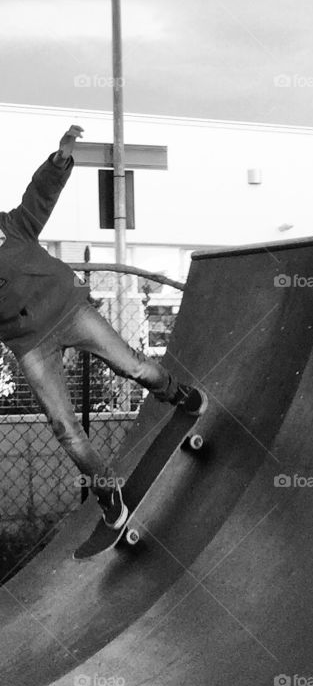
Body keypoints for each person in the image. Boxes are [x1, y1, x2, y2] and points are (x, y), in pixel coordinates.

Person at [0, 125, 206, 530]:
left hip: (69, 310)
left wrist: (60, 160)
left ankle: (174, 392)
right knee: (64, 425)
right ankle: (107, 490)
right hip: (30, 344)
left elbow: (38, 198)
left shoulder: (12, 228)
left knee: (131, 365)